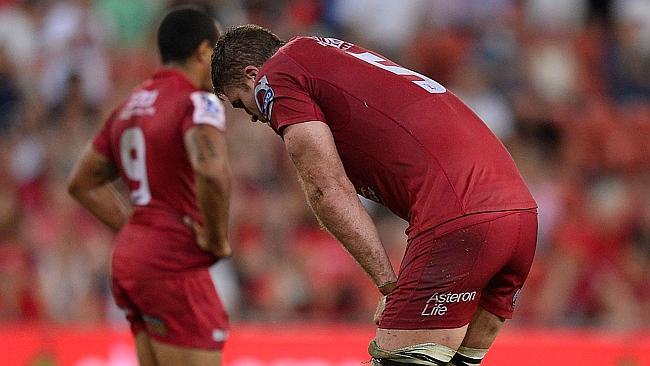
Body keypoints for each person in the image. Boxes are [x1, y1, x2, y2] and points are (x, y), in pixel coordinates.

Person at [211, 25, 538, 365]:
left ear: (252, 75)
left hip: (462, 215)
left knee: (394, 360)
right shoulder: (328, 56)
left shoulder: (276, 73)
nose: (251, 116)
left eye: (239, 102)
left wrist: (389, 284)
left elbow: (326, 189)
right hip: (521, 215)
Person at [67, 7, 231, 366]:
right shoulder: (197, 101)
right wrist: (217, 239)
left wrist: (137, 231)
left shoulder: (129, 106)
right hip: (172, 262)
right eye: (217, 51)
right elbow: (212, 171)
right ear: (204, 51)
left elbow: (82, 183)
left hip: (131, 259)